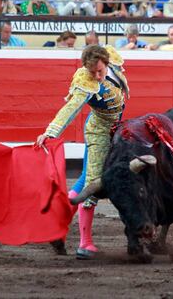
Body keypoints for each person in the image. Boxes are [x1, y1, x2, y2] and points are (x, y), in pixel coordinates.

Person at [36, 45, 130, 260]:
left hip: (116, 128)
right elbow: (71, 109)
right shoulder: (85, 82)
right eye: (93, 72)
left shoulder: (112, 61)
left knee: (83, 180)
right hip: (99, 132)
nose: (97, 76)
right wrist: (50, 132)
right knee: (92, 184)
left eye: (100, 71)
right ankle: (85, 244)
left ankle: (58, 226)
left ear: (107, 62)